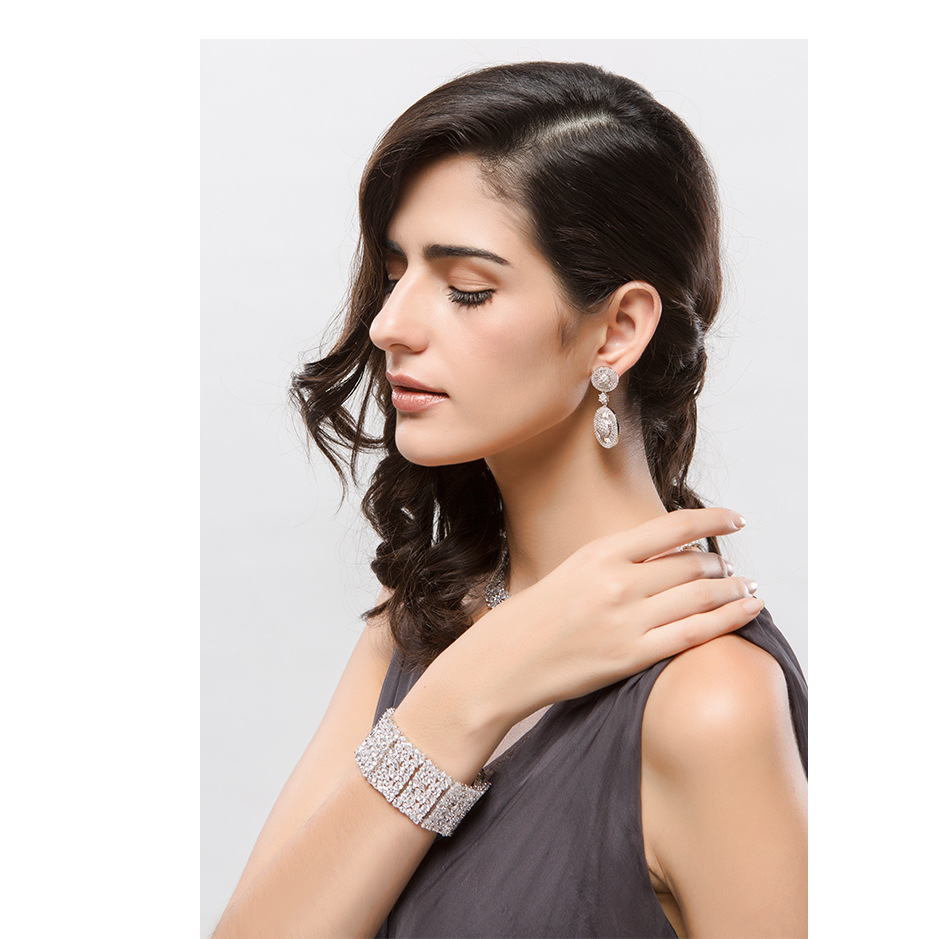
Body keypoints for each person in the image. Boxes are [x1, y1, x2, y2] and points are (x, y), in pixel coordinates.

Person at [212, 61, 807, 938]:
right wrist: (473, 689)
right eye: (395, 274)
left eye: (467, 289)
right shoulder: (419, 630)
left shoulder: (710, 701)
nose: (388, 324)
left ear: (618, 330)